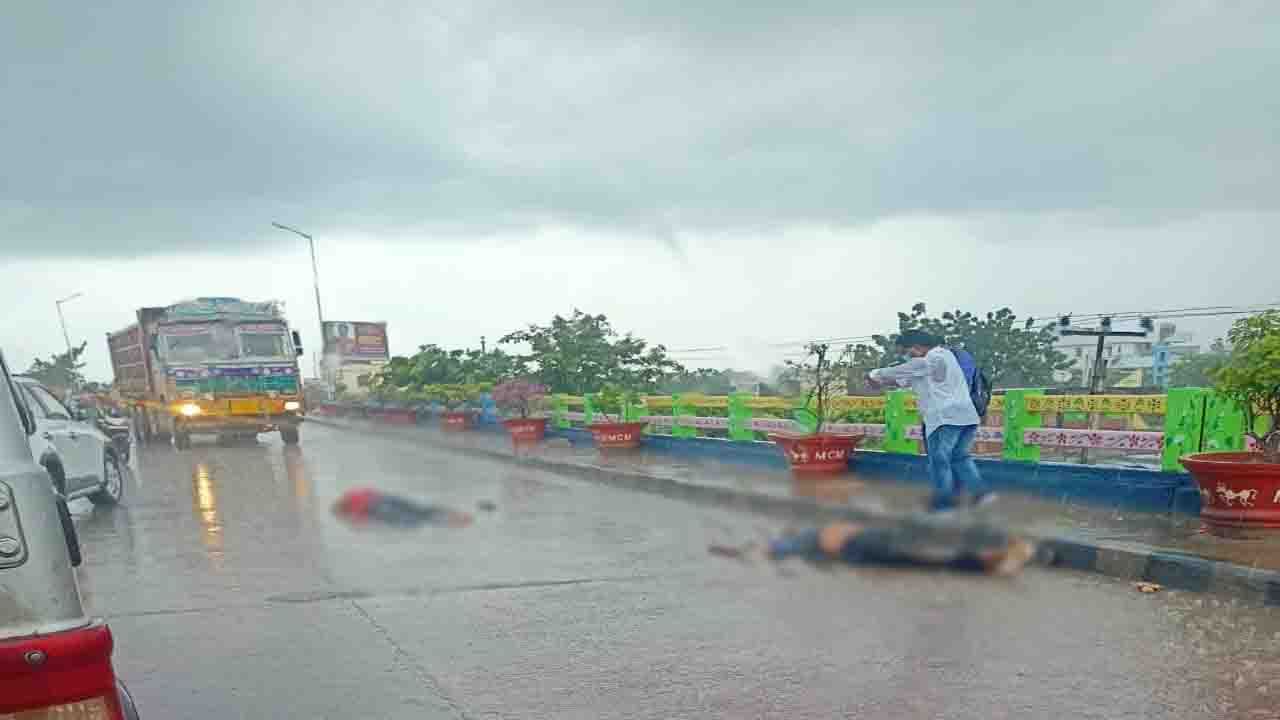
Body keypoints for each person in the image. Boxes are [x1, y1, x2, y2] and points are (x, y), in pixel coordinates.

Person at [867, 330, 994, 511]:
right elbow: (905, 379)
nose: (906, 355)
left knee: (939, 463)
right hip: (965, 418)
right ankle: (981, 494)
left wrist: (877, 373)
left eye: (906, 350)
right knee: (959, 457)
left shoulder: (938, 357)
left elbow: (916, 367)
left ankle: (944, 504)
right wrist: (880, 382)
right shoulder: (929, 364)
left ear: (917, 346)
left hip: (945, 419)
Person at [712, 516, 1035, 576]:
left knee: (920, 555)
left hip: (858, 545)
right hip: (860, 546)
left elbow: (773, 549)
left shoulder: (809, 539)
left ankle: (996, 551)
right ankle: (990, 557)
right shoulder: (808, 540)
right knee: (921, 557)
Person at [333, 487, 474, 528]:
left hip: (383, 507)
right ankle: (456, 516)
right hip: (386, 498)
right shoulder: (352, 495)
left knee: (420, 518)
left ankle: (454, 521)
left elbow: (365, 518)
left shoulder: (353, 508)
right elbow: (370, 492)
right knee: (422, 510)